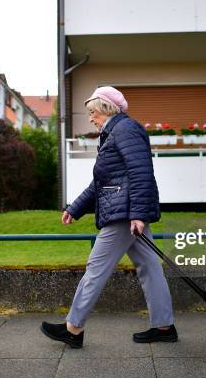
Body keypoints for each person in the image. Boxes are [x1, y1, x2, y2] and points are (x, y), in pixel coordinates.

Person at [40, 86, 177, 349]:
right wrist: (75, 208)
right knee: (149, 267)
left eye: (92, 112)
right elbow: (100, 182)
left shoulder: (126, 130)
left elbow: (141, 172)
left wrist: (137, 214)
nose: (90, 118)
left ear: (105, 109)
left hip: (124, 214)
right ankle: (164, 327)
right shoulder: (114, 133)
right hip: (126, 211)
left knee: (96, 267)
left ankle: (73, 328)